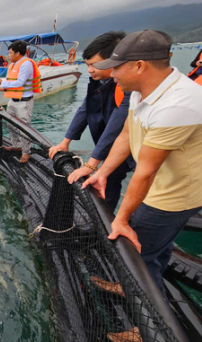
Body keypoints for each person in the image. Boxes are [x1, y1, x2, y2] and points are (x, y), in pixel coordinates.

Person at [82, 30, 202, 292]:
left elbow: (145, 172)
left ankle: (146, 330)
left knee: (139, 255)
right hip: (159, 184)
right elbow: (126, 134)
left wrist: (122, 218)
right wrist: (103, 171)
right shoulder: (141, 90)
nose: (111, 74)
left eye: (116, 68)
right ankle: (125, 286)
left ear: (139, 66)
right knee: (157, 249)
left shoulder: (177, 105)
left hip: (173, 194)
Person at [48, 31, 134, 212]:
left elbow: (116, 125)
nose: (90, 70)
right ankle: (105, 215)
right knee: (111, 180)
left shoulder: (130, 87)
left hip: (133, 146)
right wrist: (65, 142)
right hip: (115, 146)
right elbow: (85, 109)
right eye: (87, 65)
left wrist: (91, 164)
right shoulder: (101, 82)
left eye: (94, 65)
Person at [0, 40, 42, 163]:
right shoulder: (13, 64)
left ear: (17, 53)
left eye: (10, 53)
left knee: (24, 128)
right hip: (13, 100)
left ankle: (26, 152)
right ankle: (16, 145)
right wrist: (4, 87)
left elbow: (20, 82)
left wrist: (3, 83)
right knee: (10, 124)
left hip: (24, 102)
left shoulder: (26, 64)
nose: (8, 56)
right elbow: (12, 81)